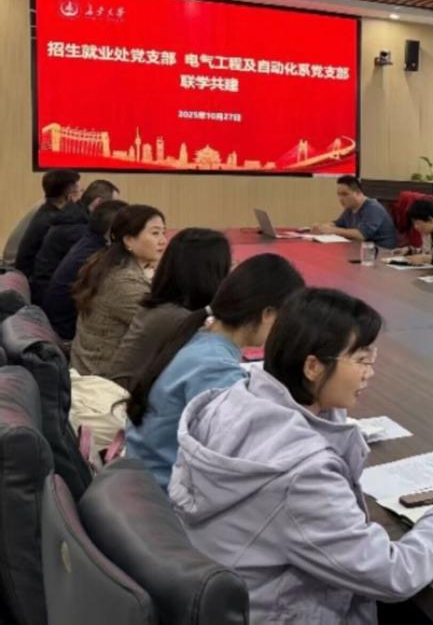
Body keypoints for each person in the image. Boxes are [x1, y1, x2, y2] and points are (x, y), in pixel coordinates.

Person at [168, 288, 433, 623]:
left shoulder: (230, 400)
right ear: (312, 366)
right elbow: (394, 575)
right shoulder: (302, 473)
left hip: (237, 598)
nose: (370, 372)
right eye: (361, 360)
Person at [124, 253, 304, 490]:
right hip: (164, 492)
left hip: (145, 476)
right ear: (267, 314)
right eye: (285, 320)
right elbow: (243, 451)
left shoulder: (201, 336)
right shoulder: (214, 367)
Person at [107, 229, 232, 391]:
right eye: (226, 267)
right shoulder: (180, 318)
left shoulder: (166, 306)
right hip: (133, 400)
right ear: (209, 273)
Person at [70, 205, 167, 377]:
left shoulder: (111, 264)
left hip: (92, 370)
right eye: (155, 233)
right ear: (129, 240)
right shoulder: (122, 281)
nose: (163, 241)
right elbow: (163, 328)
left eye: (163, 233)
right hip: (102, 380)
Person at [30, 179, 120, 304]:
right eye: (112, 205)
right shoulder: (78, 229)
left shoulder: (73, 216)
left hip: (45, 292)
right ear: (98, 203)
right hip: (51, 300)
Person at [14, 169, 81, 275]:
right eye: (78, 192)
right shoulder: (53, 222)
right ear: (69, 195)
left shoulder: (45, 210)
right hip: (32, 278)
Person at [311, 176, 398, 248]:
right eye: (339, 194)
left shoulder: (373, 208)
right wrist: (322, 227)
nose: (341, 199)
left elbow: (361, 235)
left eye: (345, 194)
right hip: (361, 250)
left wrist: (332, 230)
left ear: (358, 193)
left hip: (381, 253)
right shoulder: (350, 207)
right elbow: (338, 224)